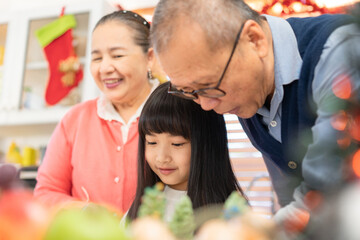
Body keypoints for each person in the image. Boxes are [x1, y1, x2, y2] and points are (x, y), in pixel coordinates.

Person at [150, 0, 360, 229]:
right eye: (190, 92)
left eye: (209, 85)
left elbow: (327, 190)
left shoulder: (339, 51)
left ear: (254, 40)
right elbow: (290, 199)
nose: (207, 105)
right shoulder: (247, 95)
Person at [34, 10, 160, 213]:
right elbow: (46, 192)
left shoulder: (176, 112)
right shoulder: (74, 120)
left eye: (117, 55)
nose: (105, 68)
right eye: (97, 58)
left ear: (150, 58)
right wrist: (83, 211)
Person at [126, 82, 246, 221]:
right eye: (152, 142)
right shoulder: (141, 209)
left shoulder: (230, 216)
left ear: (207, 144)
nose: (162, 157)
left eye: (177, 144)